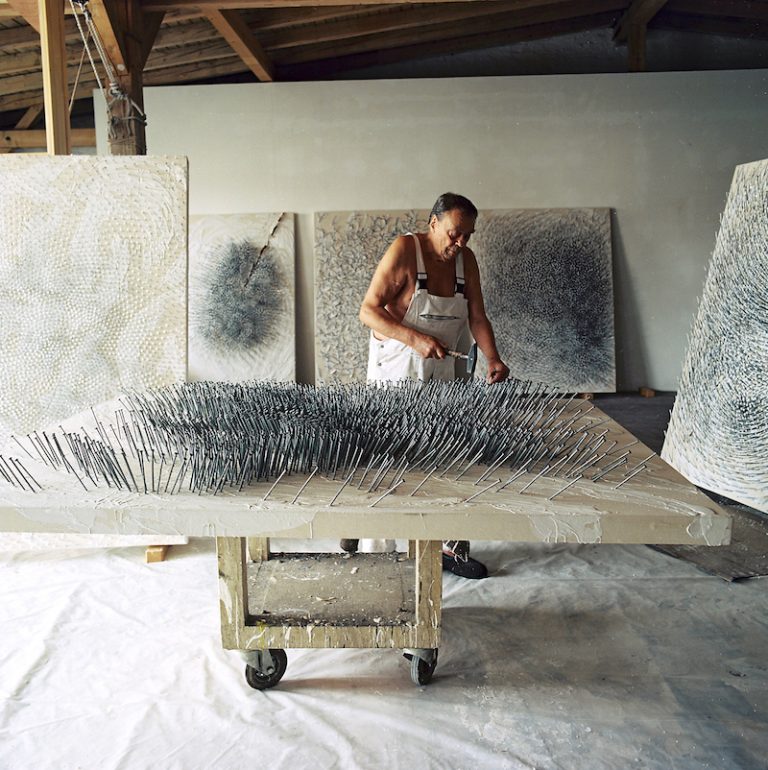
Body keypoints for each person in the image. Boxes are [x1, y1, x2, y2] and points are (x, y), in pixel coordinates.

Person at [341, 193, 510, 579]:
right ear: (432, 223)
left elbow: (477, 316)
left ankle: (450, 547)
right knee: (388, 458)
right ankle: (375, 554)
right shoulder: (404, 250)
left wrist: (493, 357)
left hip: (447, 373)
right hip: (399, 369)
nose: (461, 243)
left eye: (468, 235)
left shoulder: (466, 261)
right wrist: (412, 338)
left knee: (450, 452)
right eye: (454, 233)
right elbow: (367, 310)